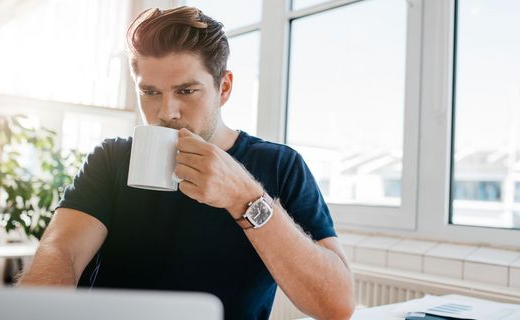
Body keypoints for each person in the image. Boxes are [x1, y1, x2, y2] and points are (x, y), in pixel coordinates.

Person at [18, 6, 354, 320]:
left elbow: (336, 306)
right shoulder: (112, 159)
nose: (166, 113)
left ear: (224, 87)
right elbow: (62, 252)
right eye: (150, 92)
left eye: (187, 91)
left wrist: (246, 199)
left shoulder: (281, 165)